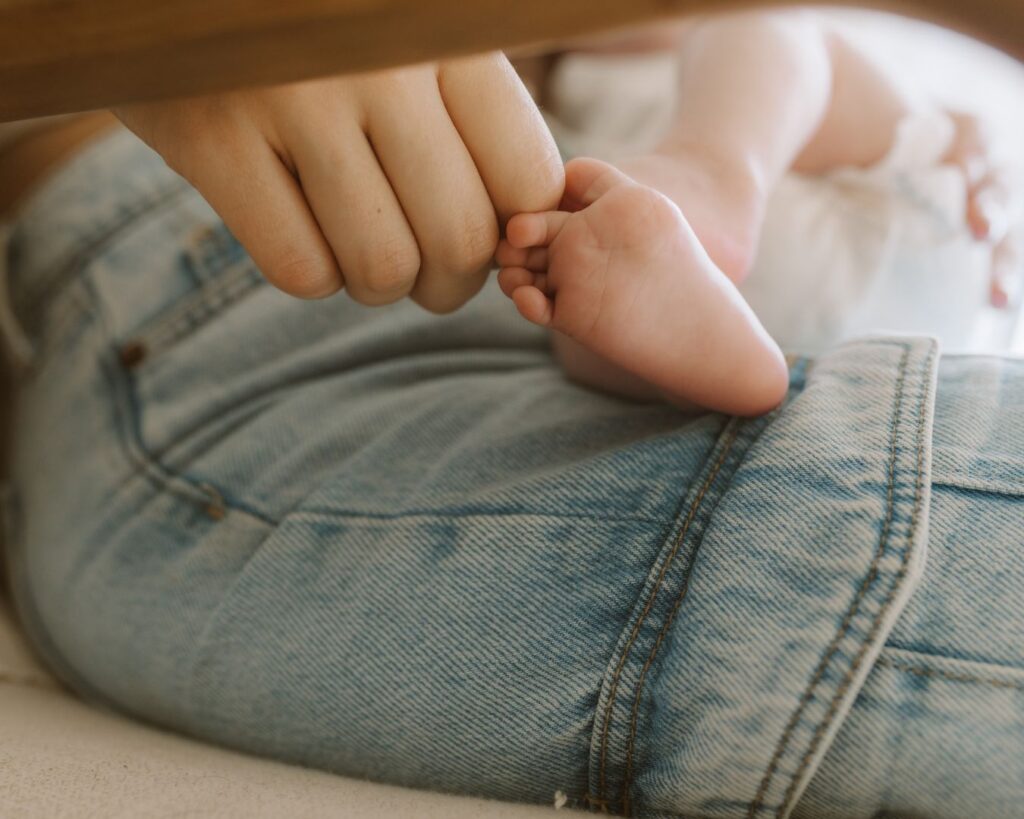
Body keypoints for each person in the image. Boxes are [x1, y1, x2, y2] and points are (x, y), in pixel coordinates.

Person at [1, 10, 1023, 819]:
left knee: (602, 286)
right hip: (316, 194)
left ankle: (683, 286)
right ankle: (704, 216)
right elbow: (759, 33)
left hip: (813, 285)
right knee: (726, 117)